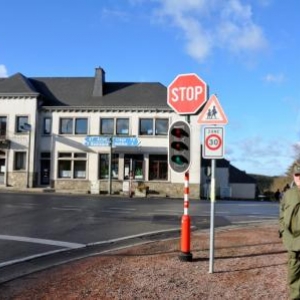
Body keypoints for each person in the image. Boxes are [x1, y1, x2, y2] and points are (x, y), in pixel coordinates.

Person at [279, 162, 300, 299]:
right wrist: (285, 235)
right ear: (294, 176)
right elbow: (281, 217)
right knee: (293, 274)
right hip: (292, 241)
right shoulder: (288, 194)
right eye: (297, 174)